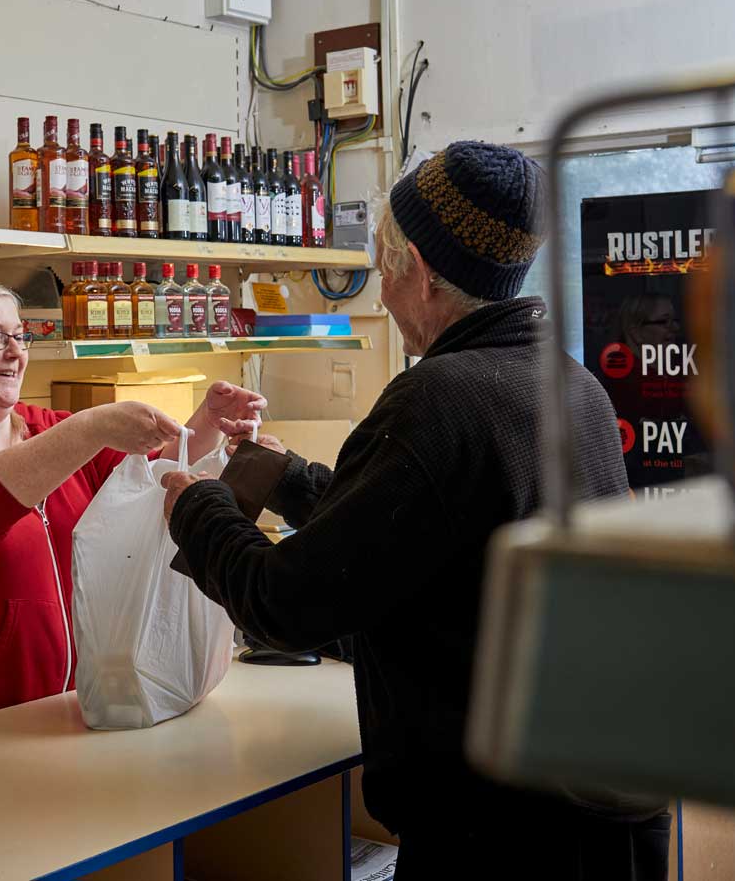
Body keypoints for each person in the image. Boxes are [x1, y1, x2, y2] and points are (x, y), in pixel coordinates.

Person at [160, 143, 669, 879]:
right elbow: (420, 521)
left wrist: (197, 505)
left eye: (382, 265)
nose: (380, 294)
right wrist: (278, 475)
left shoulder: (438, 399)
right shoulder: (567, 382)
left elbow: (286, 604)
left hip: (502, 841)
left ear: (421, 273)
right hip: (595, 811)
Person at [0, 276, 264, 735]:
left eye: (21, 335)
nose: (16, 353)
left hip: (72, 712)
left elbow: (153, 482)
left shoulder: (48, 429)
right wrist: (91, 427)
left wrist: (208, 425)